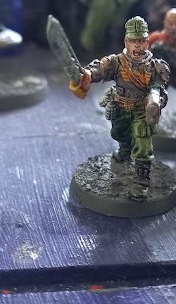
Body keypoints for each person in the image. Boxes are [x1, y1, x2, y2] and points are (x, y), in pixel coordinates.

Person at [71, 16, 170, 185]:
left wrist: (155, 101)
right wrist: (88, 74)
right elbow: (101, 68)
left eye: (141, 41)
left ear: (147, 42)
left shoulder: (155, 67)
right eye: (133, 41)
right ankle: (124, 150)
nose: (137, 45)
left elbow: (159, 89)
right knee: (119, 132)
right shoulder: (117, 62)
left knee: (142, 137)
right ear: (126, 42)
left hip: (142, 109)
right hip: (121, 106)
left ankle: (142, 176)